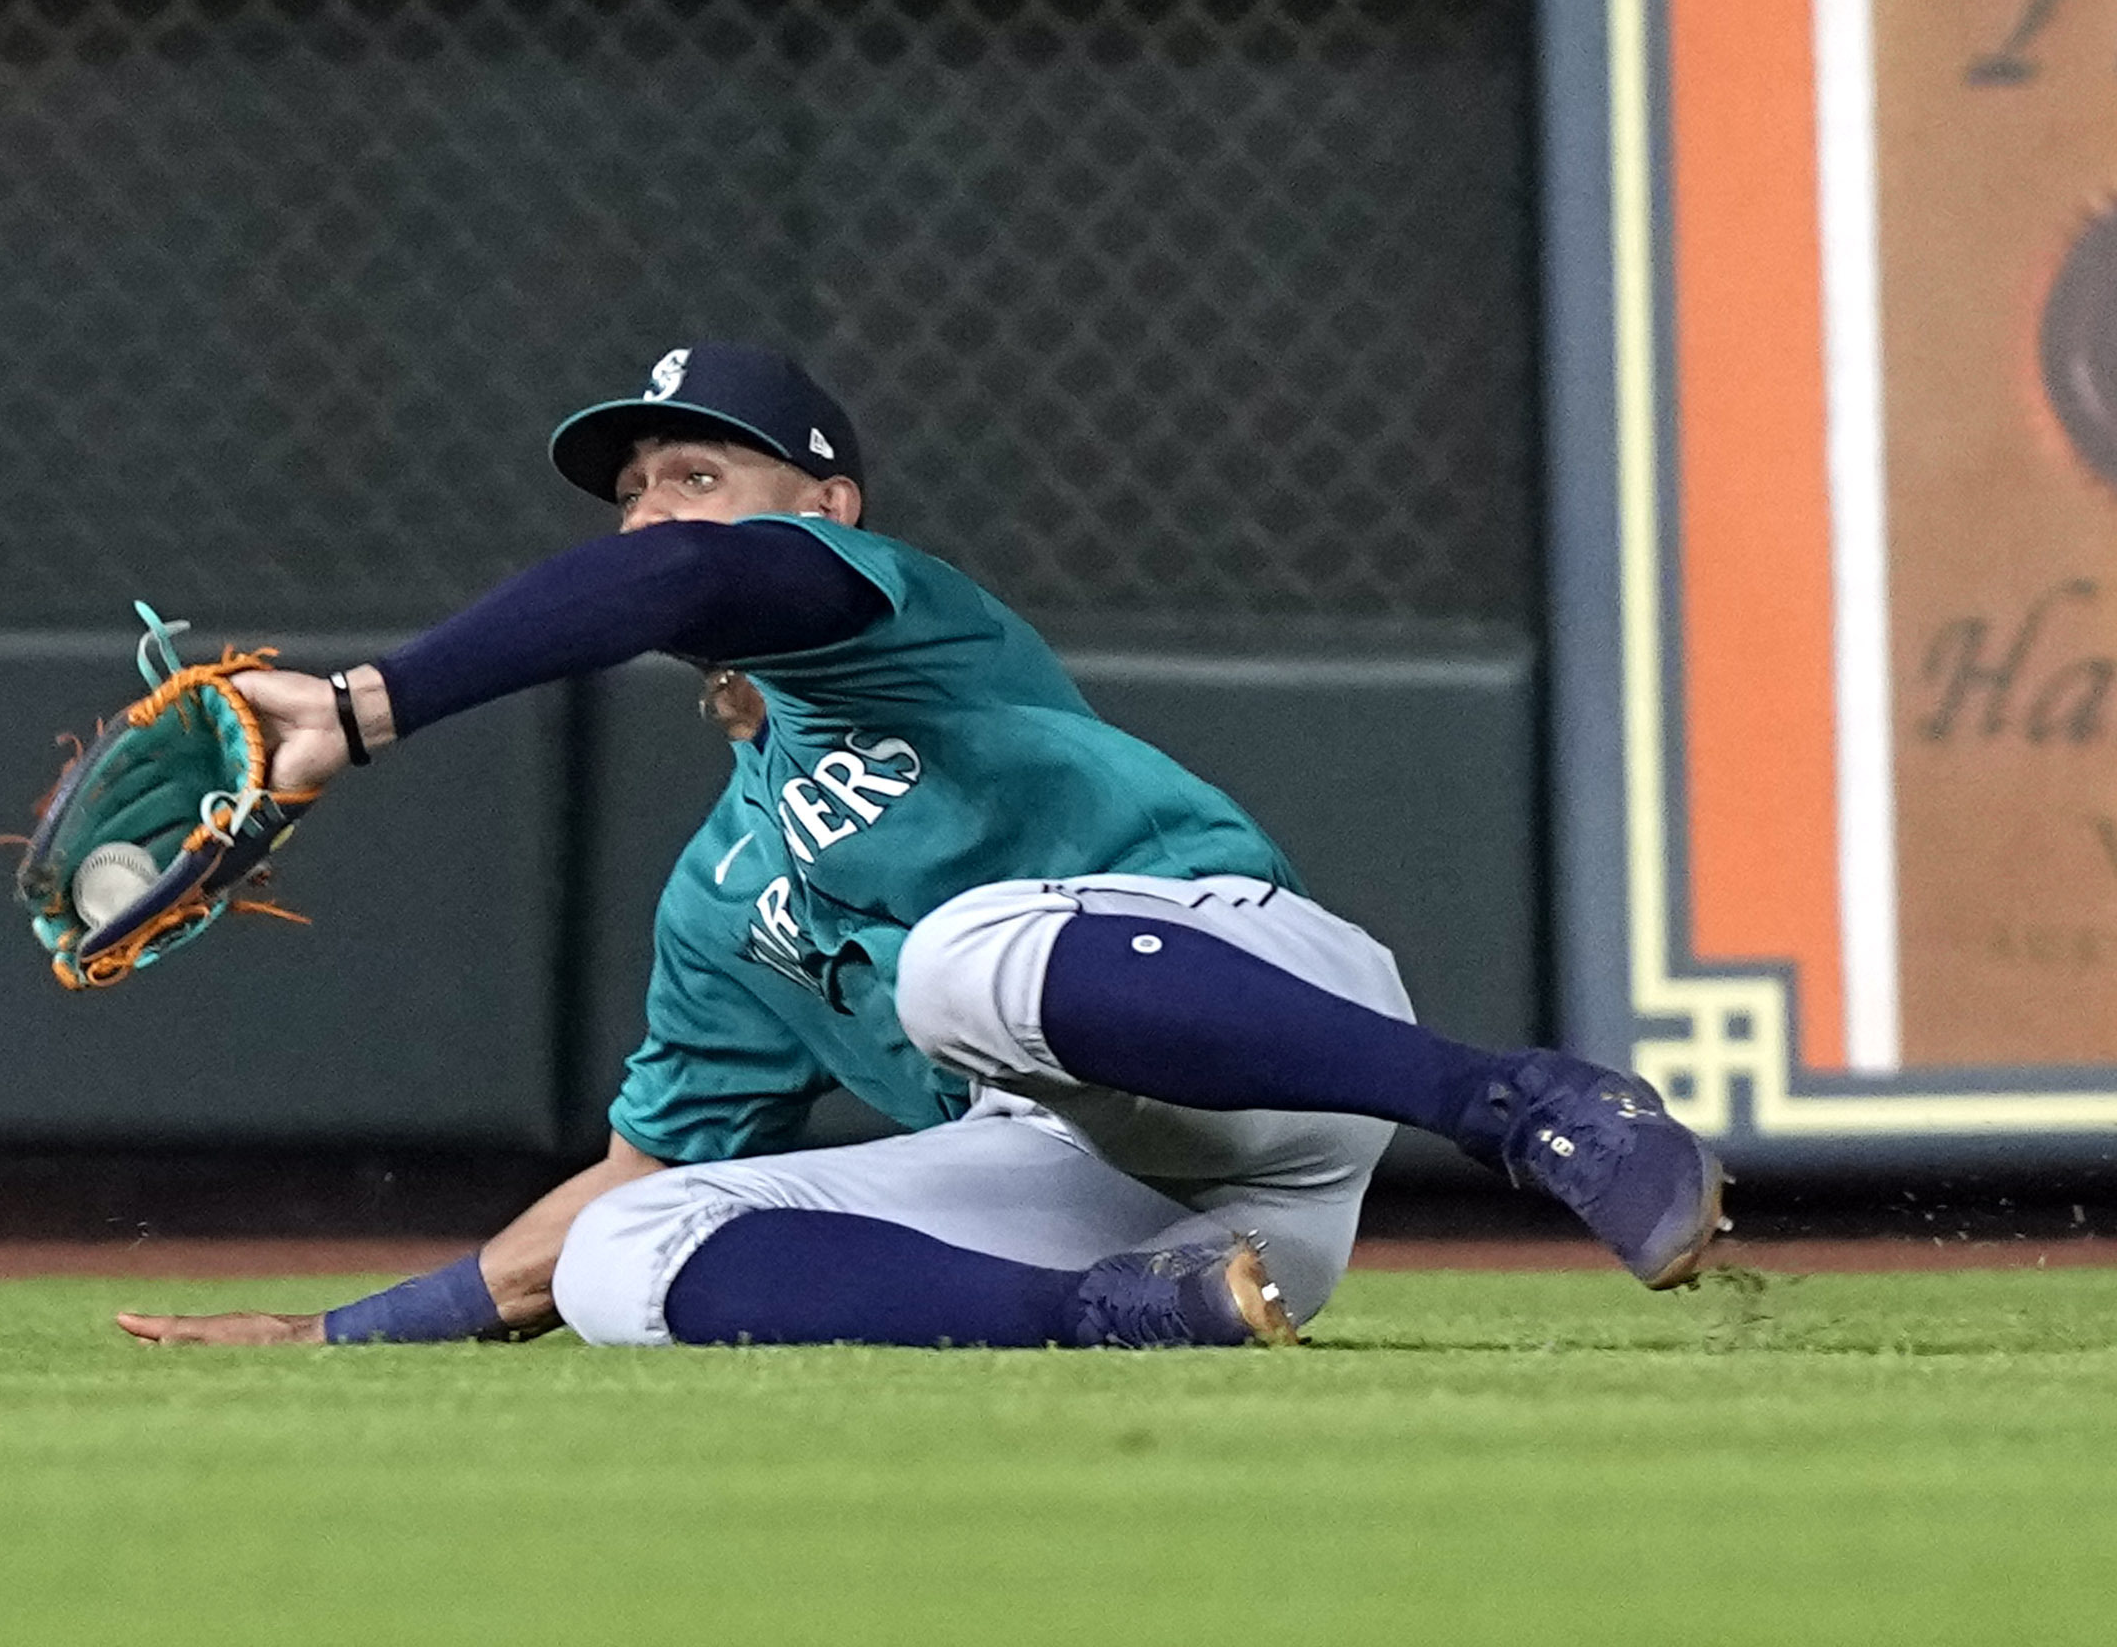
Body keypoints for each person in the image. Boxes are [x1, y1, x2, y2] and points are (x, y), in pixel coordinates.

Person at [117, 345, 1722, 1350]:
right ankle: (1128, 1320)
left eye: (699, 473)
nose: (654, 513)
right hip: (1134, 1192)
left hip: (1261, 1004)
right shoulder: (716, 899)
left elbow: (681, 589)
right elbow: (638, 1171)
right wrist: (346, 1332)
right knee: (628, 1253)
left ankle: (1521, 1105)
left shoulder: (881, 608)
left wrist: (366, 703)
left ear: (827, 501)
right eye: (633, 492)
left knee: (962, 961)